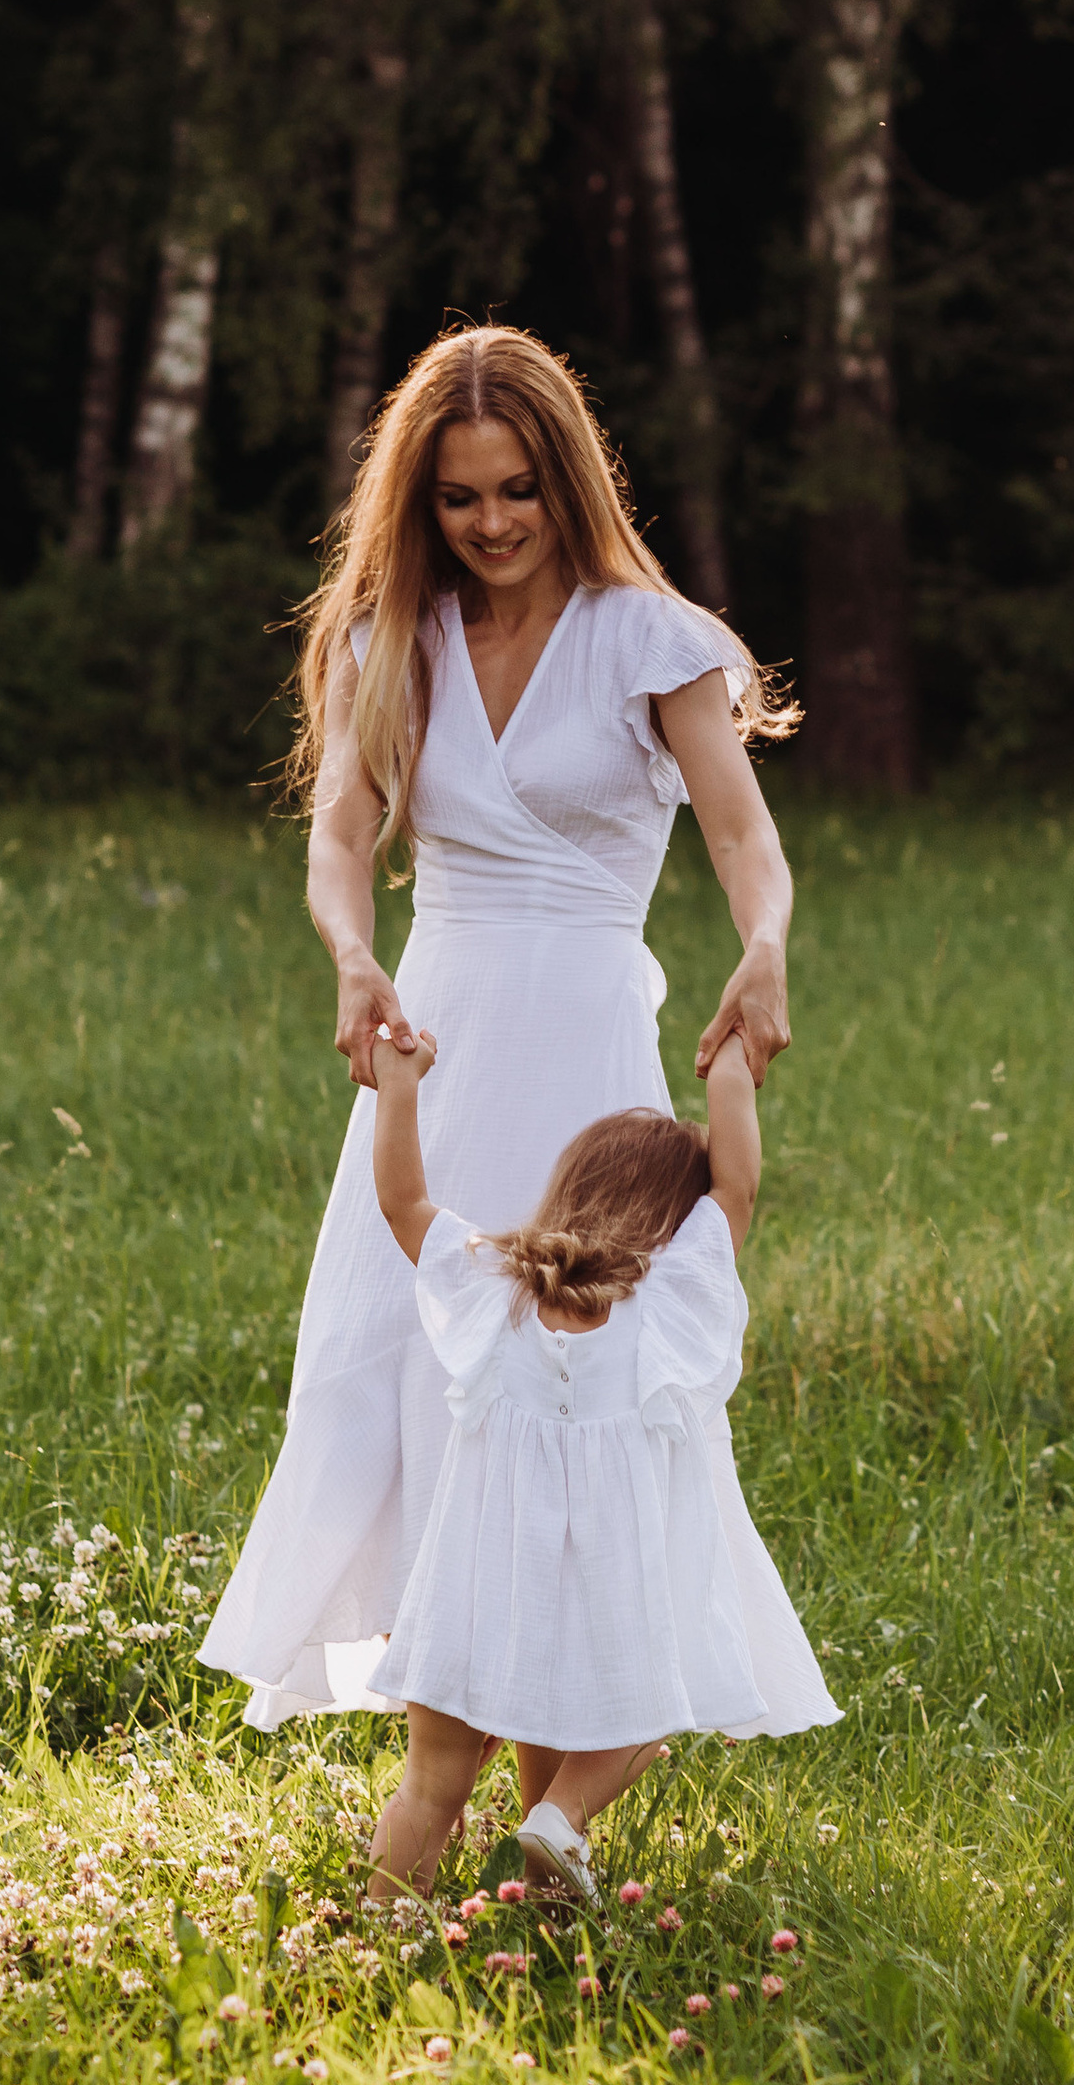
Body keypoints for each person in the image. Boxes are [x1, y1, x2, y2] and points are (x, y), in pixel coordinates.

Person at [196, 322, 806, 1814]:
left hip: (590, 1026)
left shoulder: (650, 637)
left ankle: (555, 1783)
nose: (492, 522)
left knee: (576, 1371)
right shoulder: (386, 640)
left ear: (567, 479)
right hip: (444, 1024)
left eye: (518, 488)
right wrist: (355, 958)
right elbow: (343, 839)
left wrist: (766, 940)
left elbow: (739, 834)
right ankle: (439, 1754)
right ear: (424, 502)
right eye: (461, 496)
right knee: (419, 1353)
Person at [357, 1023, 835, 1909]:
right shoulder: (671, 1302)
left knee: (429, 1790)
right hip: (604, 1605)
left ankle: (374, 1943)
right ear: (674, 1216)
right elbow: (738, 1184)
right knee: (645, 1712)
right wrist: (732, 1061)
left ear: (571, 1187)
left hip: (473, 1593)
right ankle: (560, 1820)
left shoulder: (494, 1287)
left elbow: (401, 1202)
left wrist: (400, 1084)